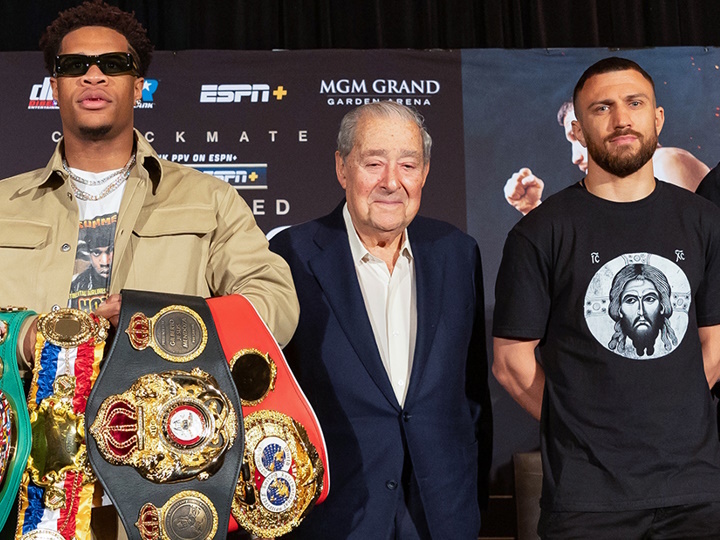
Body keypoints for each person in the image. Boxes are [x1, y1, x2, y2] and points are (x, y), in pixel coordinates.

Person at [0, 1, 299, 538]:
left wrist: (170, 325)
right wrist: (26, 338)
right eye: (75, 66)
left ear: (139, 85)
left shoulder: (208, 199)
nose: (94, 74)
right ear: (54, 86)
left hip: (164, 487)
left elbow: (274, 299)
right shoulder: (3, 205)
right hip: (27, 488)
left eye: (113, 63)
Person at [493, 57, 720, 538]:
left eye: (635, 104)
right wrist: (586, 426)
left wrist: (665, 409)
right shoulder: (539, 232)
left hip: (697, 496)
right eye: (602, 107)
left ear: (657, 118)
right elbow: (512, 363)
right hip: (587, 502)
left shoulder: (704, 221)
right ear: (579, 126)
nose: (621, 119)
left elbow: (715, 342)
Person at [270, 101, 492, 540]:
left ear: (424, 172)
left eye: (408, 165)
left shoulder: (457, 252)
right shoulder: (291, 255)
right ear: (342, 167)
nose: (392, 182)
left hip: (441, 514)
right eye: (374, 163)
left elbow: (471, 396)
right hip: (334, 514)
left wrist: (469, 502)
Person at [504, 100, 709, 215]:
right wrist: (532, 210)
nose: (575, 158)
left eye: (579, 137)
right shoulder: (615, 195)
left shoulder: (666, 162)